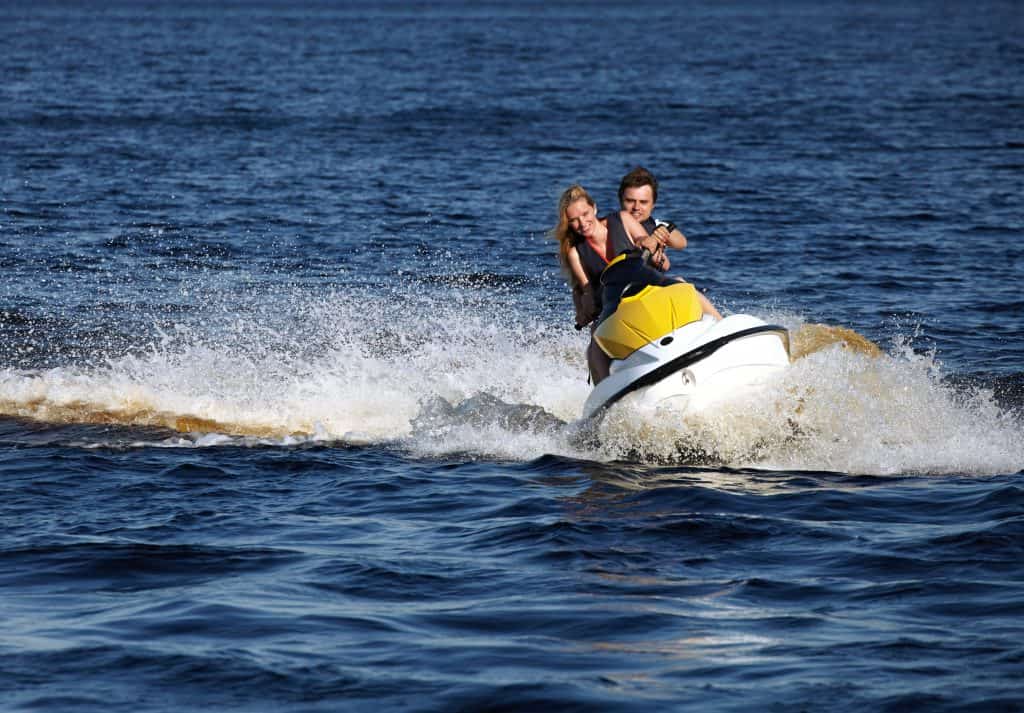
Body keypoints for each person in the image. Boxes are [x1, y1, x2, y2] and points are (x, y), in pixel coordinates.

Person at [552, 184, 720, 383]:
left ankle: (725, 327)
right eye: (574, 220)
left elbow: (647, 244)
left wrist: (653, 245)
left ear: (594, 208)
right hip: (615, 306)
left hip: (648, 290)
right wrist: (583, 310)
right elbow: (586, 289)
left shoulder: (622, 219)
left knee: (682, 284)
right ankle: (604, 393)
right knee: (595, 342)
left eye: (585, 214)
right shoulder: (575, 252)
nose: (582, 222)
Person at [618, 166, 687, 270]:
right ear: (620, 201)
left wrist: (663, 232)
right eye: (630, 201)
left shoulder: (656, 226)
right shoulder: (608, 226)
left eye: (643, 202)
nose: (636, 207)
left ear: (653, 205)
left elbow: (682, 243)